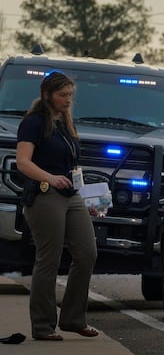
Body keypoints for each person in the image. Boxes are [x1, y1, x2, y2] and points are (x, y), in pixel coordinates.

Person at [16, 71, 98, 341]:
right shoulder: (34, 122)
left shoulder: (64, 123)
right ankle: (43, 325)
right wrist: (49, 178)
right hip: (44, 194)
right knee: (48, 259)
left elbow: (73, 167)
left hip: (70, 195)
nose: (67, 100)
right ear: (47, 94)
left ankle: (73, 319)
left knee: (87, 253)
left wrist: (90, 198)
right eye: (62, 95)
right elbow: (23, 162)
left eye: (70, 95)